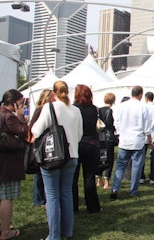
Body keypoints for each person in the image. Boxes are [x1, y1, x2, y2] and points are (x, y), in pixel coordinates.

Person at [32, 81, 83, 240]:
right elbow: (79, 134)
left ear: (54, 93)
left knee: (52, 195)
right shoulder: (75, 110)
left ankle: (53, 235)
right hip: (72, 154)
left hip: (53, 156)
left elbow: (36, 130)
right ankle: (67, 232)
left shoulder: (50, 107)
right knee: (66, 194)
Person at [110, 86, 152, 199]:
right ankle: (133, 190)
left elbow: (116, 121)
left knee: (120, 166)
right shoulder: (143, 107)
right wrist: (149, 137)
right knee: (136, 167)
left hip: (124, 140)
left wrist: (119, 133)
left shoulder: (121, 106)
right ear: (140, 94)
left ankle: (115, 188)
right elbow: (147, 125)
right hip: (137, 140)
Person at [0, 89, 28, 240]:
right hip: (8, 162)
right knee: (7, 197)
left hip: (3, 161)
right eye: (20, 102)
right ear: (13, 103)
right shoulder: (9, 117)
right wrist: (21, 117)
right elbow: (23, 131)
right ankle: (5, 231)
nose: (22, 105)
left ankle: (3, 226)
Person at [72, 84, 102, 213]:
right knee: (89, 176)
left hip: (77, 143)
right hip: (91, 144)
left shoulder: (74, 109)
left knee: (73, 177)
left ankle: (73, 206)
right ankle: (93, 206)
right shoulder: (94, 109)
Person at [28, 89, 54, 208]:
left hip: (47, 143)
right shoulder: (40, 109)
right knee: (39, 173)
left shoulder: (50, 109)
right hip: (39, 143)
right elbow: (32, 126)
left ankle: (43, 197)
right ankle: (39, 199)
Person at [96, 93, 117, 190]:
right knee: (109, 159)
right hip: (108, 137)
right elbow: (111, 124)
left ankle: (98, 179)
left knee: (100, 158)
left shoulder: (98, 110)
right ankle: (106, 182)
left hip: (99, 137)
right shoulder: (110, 111)